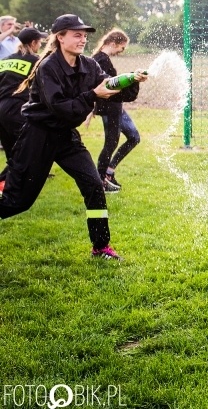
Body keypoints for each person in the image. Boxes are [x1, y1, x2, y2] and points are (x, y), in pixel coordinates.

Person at [0, 14, 146, 261]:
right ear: (60, 37)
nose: (82, 39)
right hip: (38, 135)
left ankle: (101, 248)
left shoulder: (89, 65)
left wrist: (132, 79)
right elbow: (61, 107)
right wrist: (93, 94)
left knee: (93, 185)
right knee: (18, 201)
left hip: (66, 136)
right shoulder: (48, 67)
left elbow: (111, 89)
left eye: (84, 35)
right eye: (76, 34)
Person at [91, 29, 142, 193]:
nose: (122, 51)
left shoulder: (103, 59)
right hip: (109, 108)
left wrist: (133, 78)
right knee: (111, 143)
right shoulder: (99, 60)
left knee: (134, 137)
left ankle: (109, 172)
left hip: (117, 108)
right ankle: (101, 182)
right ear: (113, 43)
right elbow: (111, 86)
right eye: (122, 47)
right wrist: (133, 79)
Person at [0, 27, 49, 188]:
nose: (40, 45)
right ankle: (4, 181)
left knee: (11, 151)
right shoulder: (36, 61)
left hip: (1, 108)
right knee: (28, 149)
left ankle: (11, 187)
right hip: (16, 109)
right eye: (40, 41)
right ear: (34, 43)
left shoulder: (6, 60)